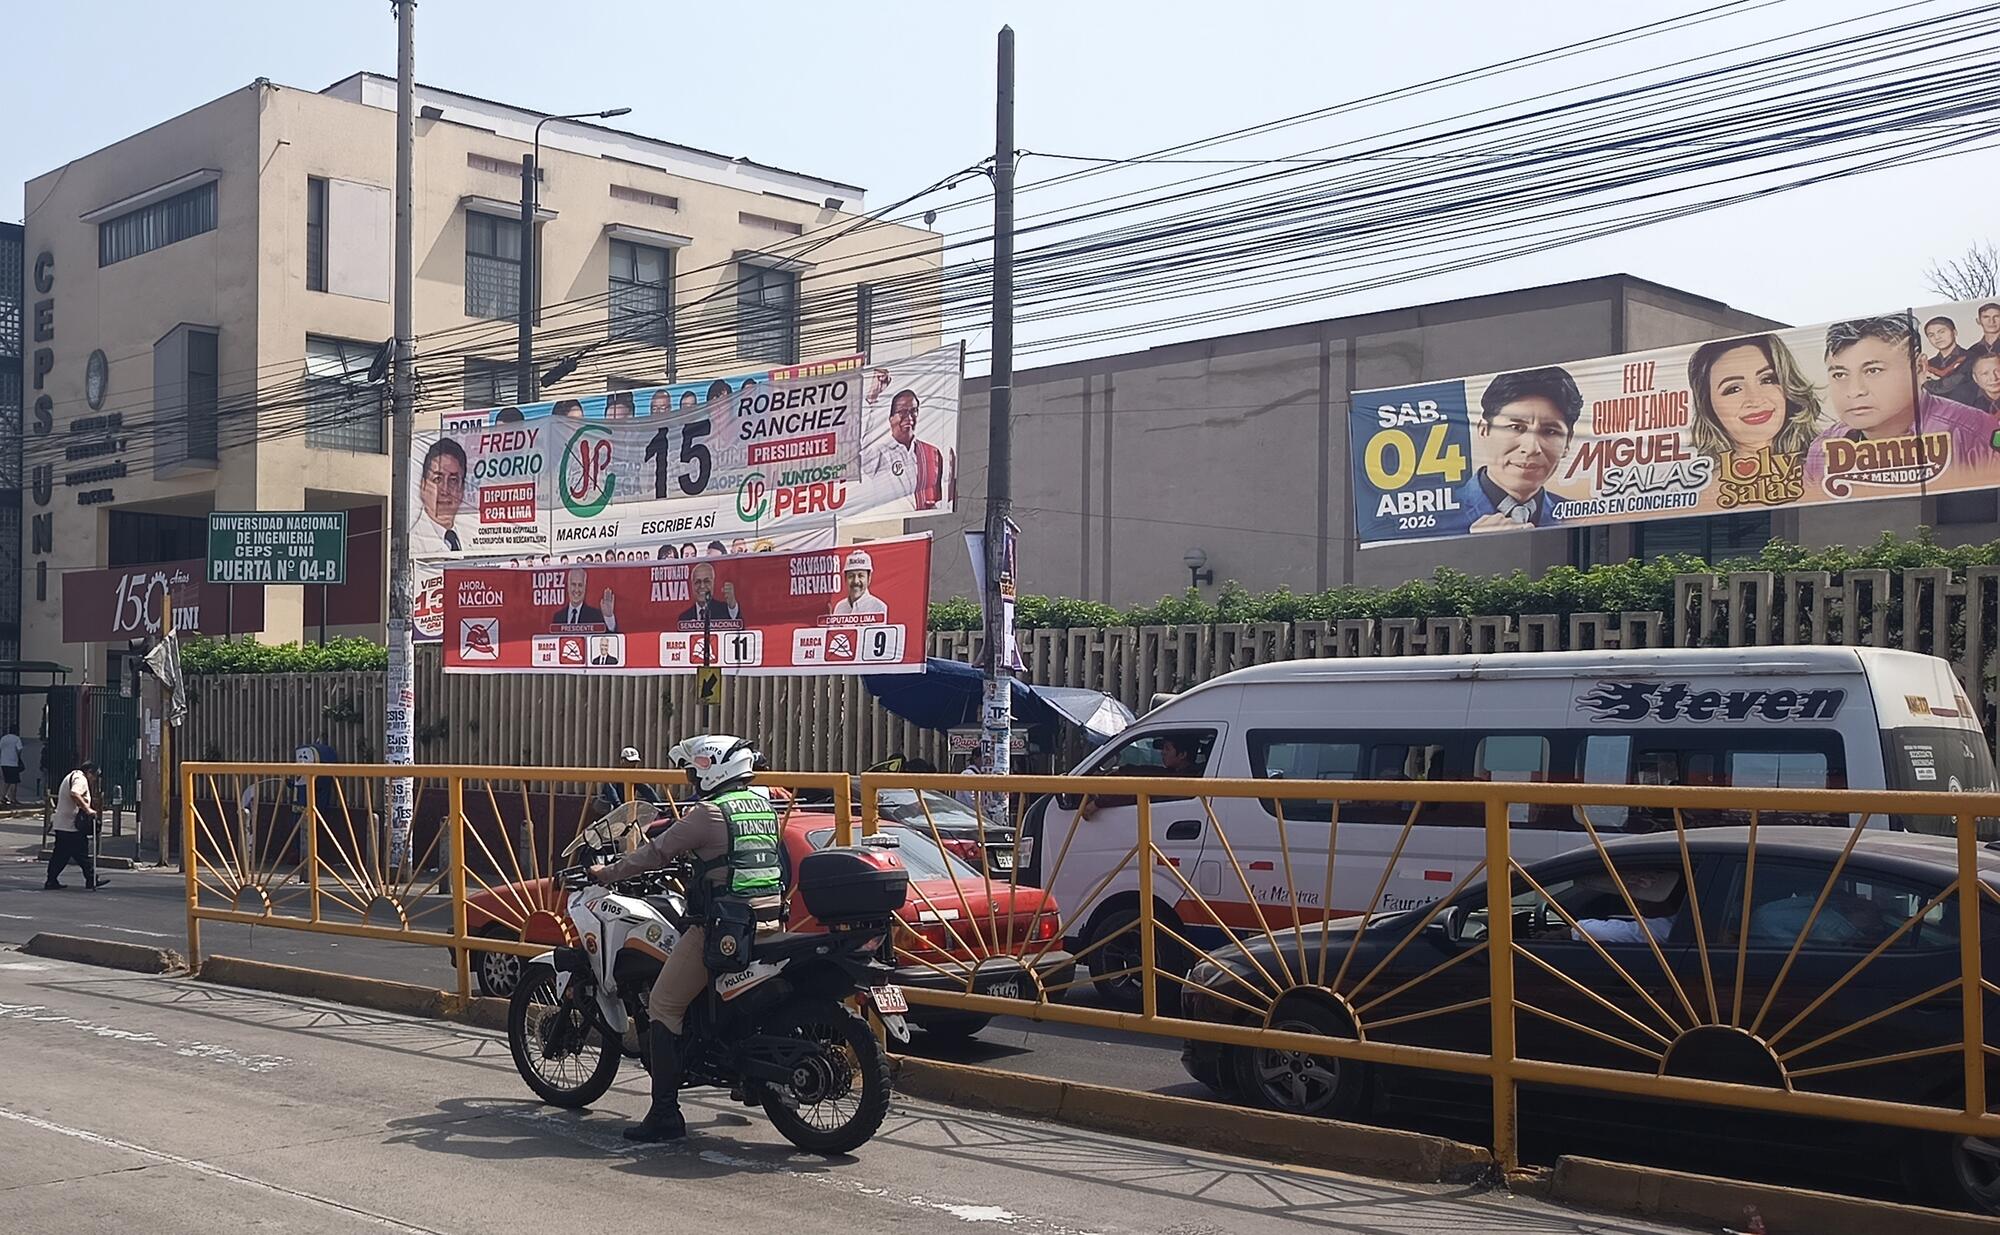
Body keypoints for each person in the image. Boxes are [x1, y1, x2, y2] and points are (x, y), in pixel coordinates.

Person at [590, 734, 783, 1143]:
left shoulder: (709, 813)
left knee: (663, 1004)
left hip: (721, 928)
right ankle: (747, 1081)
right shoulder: (763, 807)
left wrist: (607, 874)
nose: (692, 780)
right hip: (768, 922)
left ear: (713, 769)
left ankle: (664, 1113)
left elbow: (656, 853)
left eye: (695, 772)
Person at [1806, 313, 1997, 488]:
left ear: (1921, 368)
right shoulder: (1821, 451)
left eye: (1873, 371)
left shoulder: (1976, 433)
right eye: (1840, 374)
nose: (1854, 391)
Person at [1686, 334, 1821, 505]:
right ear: (1708, 405)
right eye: (1734, 389)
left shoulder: (1828, 465)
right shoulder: (1699, 490)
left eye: (1767, 379)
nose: (1755, 399)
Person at [1450, 367, 1582, 531]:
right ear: (1484, 430)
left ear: (1568, 442)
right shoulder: (1436, 516)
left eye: (1550, 431)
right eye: (1516, 427)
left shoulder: (1580, 518)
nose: (1531, 448)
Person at [867, 389, 955, 511]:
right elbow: (859, 449)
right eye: (902, 412)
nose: (909, 417)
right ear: (891, 418)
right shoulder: (879, 453)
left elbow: (937, 498)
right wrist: (872, 400)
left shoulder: (932, 452)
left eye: (913, 411)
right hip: (890, 522)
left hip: (924, 523)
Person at [45, 760, 106, 891]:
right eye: (95, 775)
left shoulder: (72, 776)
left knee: (61, 855)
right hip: (71, 825)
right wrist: (87, 809)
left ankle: (51, 880)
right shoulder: (80, 779)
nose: (95, 779)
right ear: (89, 772)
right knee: (81, 853)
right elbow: (74, 793)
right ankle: (91, 879)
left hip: (63, 824)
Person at [411, 438, 468, 555]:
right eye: (437, 479)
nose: (445, 490)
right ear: (423, 486)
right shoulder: (412, 545)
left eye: (453, 480)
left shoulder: (472, 541)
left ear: (462, 489)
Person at [1923, 316, 1983, 406]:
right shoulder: (1929, 364)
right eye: (1931, 335)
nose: (1937, 337)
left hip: (1966, 411)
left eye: (1942, 332)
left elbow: (1945, 387)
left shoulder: (1972, 358)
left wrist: (1922, 380)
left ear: (1954, 332)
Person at [596, 746, 666, 817]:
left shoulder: (634, 777)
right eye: (630, 762)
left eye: (635, 762)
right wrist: (621, 809)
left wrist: (660, 806)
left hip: (623, 811)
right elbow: (613, 797)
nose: (633, 765)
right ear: (622, 761)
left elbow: (647, 791)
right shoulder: (612, 777)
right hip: (608, 815)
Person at [550, 566, 616, 630]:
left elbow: (608, 638)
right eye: (573, 584)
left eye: (580, 585)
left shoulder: (595, 615)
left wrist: (608, 617)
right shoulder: (558, 617)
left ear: (585, 587)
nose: (576, 589)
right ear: (568, 586)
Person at [829, 549, 888, 617]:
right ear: (845, 578)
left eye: (861, 576)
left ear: (869, 578)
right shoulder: (839, 608)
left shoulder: (878, 608)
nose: (856, 581)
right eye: (851, 576)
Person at [0, 724, 22, 808]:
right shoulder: (16, 739)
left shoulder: (3, 738)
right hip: (13, 763)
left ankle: (2, 797)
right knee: (14, 782)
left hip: (3, 762)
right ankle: (12, 798)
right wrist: (18, 758)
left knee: (6, 781)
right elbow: (19, 749)